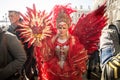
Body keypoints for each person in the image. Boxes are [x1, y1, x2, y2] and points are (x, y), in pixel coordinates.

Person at [8, 10, 37, 80]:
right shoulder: (9, 30)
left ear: (18, 17)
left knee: (29, 75)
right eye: (8, 16)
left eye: (11, 16)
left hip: (28, 58)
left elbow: (33, 43)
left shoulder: (27, 27)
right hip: (15, 60)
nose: (9, 18)